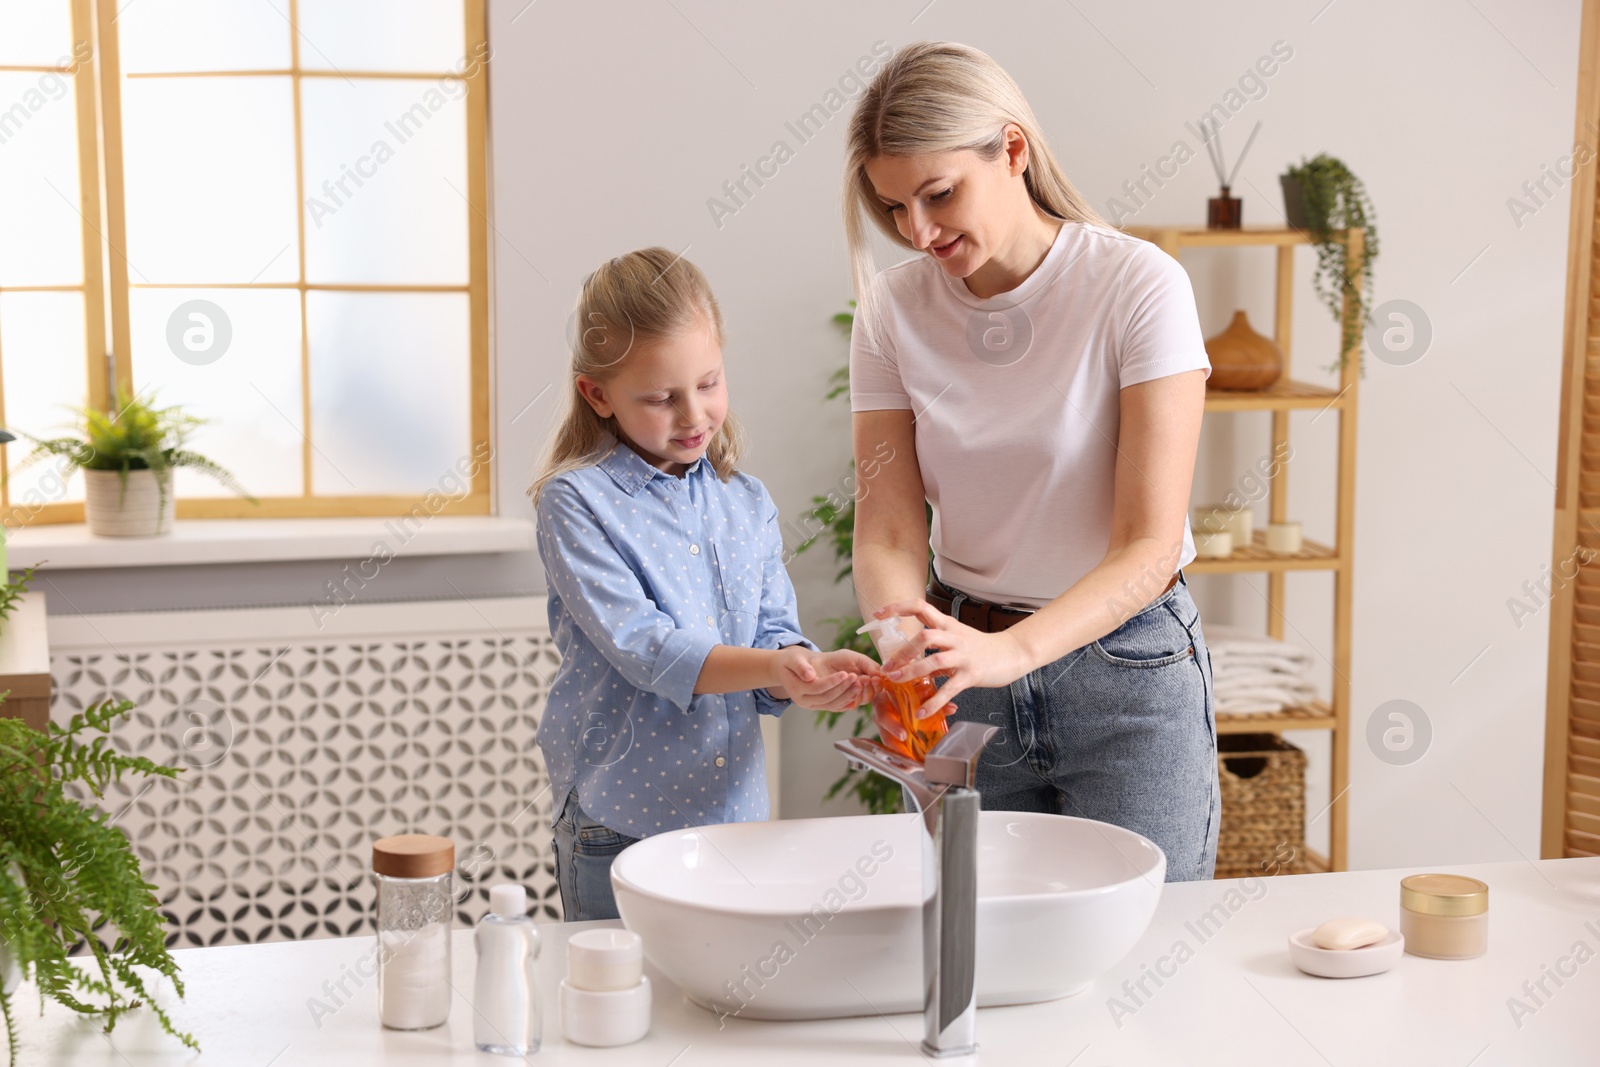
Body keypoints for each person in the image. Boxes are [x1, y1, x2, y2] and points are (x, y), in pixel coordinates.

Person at [841, 42, 1221, 881]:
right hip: (962, 668)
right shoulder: (891, 313)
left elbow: (1149, 548)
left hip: (1126, 673)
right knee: (981, 952)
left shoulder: (1138, 287)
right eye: (896, 206)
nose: (919, 232)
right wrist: (904, 640)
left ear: (1012, 151)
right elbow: (891, 525)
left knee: (1146, 957)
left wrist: (1010, 655)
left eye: (939, 195)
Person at [529, 247, 881, 920]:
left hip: (736, 821)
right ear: (596, 394)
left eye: (710, 383)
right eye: (661, 398)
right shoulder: (575, 503)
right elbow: (649, 649)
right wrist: (776, 664)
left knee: (721, 1011)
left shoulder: (745, 502)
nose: (694, 415)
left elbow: (775, 634)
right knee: (619, 1007)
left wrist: (801, 673)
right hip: (619, 822)